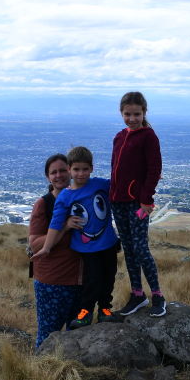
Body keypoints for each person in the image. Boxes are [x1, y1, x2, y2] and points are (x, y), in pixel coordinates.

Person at [32, 145, 119, 329]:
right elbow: (55, 224)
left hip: (109, 243)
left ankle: (105, 309)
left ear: (92, 168)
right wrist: (46, 247)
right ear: (71, 170)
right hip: (86, 249)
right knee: (93, 279)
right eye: (76, 169)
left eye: (85, 169)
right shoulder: (64, 197)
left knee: (109, 278)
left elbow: (120, 183)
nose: (81, 173)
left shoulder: (100, 184)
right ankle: (86, 311)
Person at [110, 91, 166, 317]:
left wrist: (146, 201)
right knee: (130, 250)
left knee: (141, 249)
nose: (132, 118)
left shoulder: (148, 136)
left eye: (136, 114)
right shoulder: (119, 137)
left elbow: (154, 170)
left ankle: (158, 296)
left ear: (144, 113)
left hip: (137, 204)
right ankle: (137, 295)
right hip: (118, 202)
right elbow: (115, 170)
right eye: (127, 114)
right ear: (121, 113)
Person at [28, 153, 84, 349]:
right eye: (54, 172)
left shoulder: (81, 199)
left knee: (77, 336)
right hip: (52, 282)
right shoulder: (43, 204)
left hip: (81, 282)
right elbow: (35, 244)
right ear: (48, 177)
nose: (59, 175)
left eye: (62, 170)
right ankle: (40, 375)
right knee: (48, 335)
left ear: (70, 171)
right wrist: (64, 227)